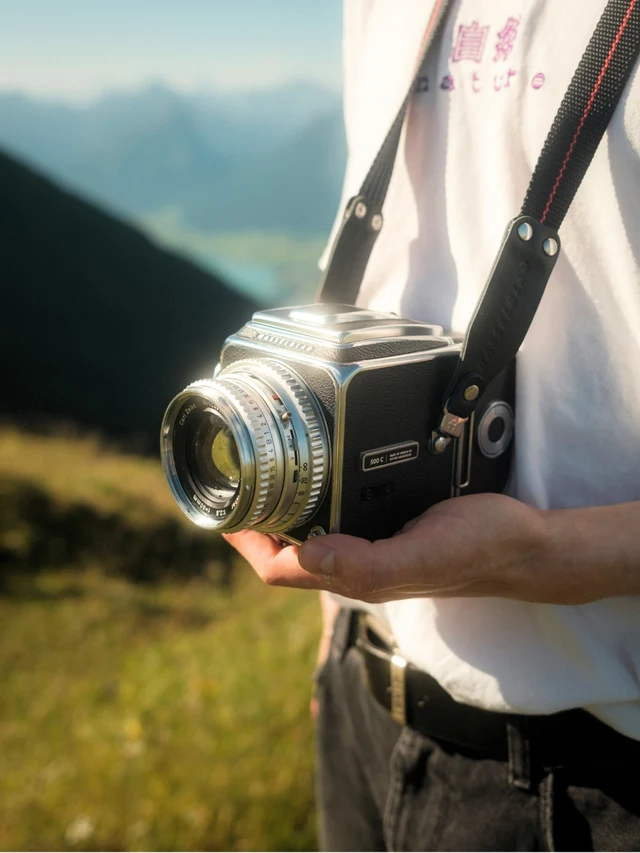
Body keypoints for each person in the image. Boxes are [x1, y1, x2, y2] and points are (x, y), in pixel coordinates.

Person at [225, 0, 640, 849]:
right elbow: (388, 276)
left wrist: (545, 553)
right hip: (365, 700)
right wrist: (335, 630)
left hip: (598, 777)